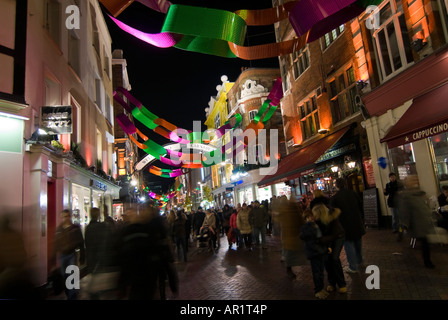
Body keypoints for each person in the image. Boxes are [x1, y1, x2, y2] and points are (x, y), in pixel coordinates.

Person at [396, 175, 435, 268]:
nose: (415, 181)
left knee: (425, 242)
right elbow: (405, 212)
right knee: (425, 243)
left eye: (415, 179)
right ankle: (427, 262)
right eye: (412, 180)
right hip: (417, 224)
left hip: (423, 222)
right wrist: (404, 225)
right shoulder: (407, 196)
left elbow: (424, 207)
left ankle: (426, 261)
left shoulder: (418, 193)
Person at [330, 178, 365, 274]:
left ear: (336, 186)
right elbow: (360, 205)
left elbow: (332, 213)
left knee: (349, 245)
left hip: (345, 224)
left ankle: (353, 266)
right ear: (345, 184)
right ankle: (359, 260)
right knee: (358, 242)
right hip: (357, 222)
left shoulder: (335, 198)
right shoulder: (353, 193)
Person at [85, 207, 119, 299]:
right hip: (101, 259)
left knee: (94, 286)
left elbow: (87, 244)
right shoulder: (103, 227)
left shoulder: (88, 228)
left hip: (92, 260)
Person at [51, 209, 85, 300]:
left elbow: (81, 242)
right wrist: (53, 260)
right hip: (62, 255)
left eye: (67, 216)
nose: (65, 218)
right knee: (65, 276)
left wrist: (82, 257)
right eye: (63, 216)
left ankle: (72, 296)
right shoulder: (59, 229)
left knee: (72, 275)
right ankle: (70, 293)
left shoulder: (75, 228)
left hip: (71, 254)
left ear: (69, 216)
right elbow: (55, 244)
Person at [276, 196, 306, 278]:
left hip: (289, 237)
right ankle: (291, 267)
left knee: (289, 253)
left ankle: (289, 268)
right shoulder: (295, 211)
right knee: (293, 253)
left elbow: (280, 222)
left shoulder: (284, 211)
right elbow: (302, 222)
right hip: (294, 235)